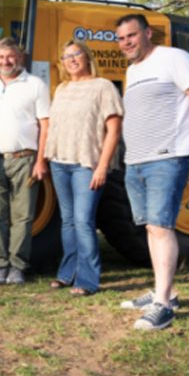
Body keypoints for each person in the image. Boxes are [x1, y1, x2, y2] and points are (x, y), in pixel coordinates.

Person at [115, 14, 189, 330]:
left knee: (161, 227)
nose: (126, 43)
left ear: (148, 33)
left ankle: (163, 308)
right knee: (150, 228)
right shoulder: (132, 71)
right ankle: (167, 291)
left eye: (131, 36)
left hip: (166, 158)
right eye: (121, 39)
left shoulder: (174, 58)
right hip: (137, 161)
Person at [44, 40, 123, 296]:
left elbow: (113, 131)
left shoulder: (103, 87)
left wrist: (102, 166)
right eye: (67, 56)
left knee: (83, 221)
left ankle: (88, 280)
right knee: (67, 221)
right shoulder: (63, 89)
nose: (72, 59)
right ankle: (67, 273)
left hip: (86, 164)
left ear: (87, 57)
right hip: (60, 162)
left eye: (76, 54)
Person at [0, 37, 50, 285]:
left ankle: (17, 266)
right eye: (1, 57)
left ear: (19, 57)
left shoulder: (35, 84)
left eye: (10, 57)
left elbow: (45, 124)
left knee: (23, 216)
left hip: (25, 159)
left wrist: (41, 160)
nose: (6, 61)